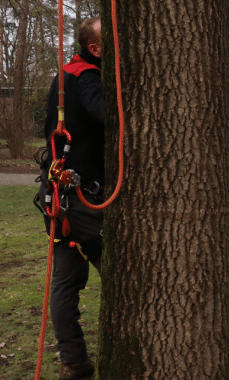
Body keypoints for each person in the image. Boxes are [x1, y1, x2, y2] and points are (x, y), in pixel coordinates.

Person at [36, 17, 103, 380]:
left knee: (65, 282)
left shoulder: (64, 77)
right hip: (80, 200)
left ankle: (74, 361)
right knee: (121, 270)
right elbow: (105, 112)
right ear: (94, 49)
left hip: (59, 199)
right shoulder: (87, 77)